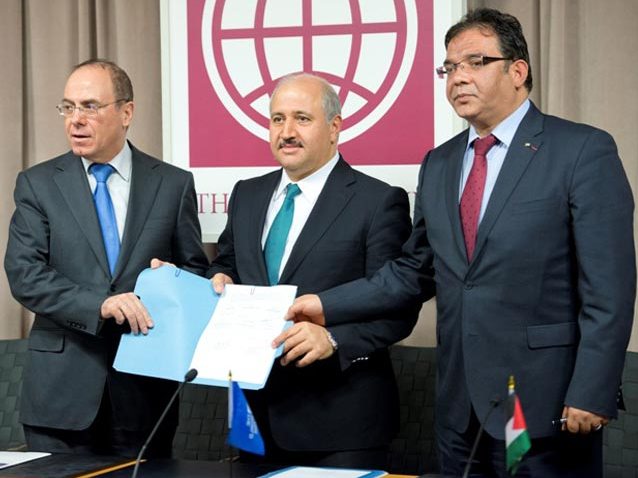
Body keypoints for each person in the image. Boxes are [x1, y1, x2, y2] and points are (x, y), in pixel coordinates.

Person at [286, 9, 635, 477]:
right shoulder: (440, 163)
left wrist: (591, 390)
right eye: (450, 68)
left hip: (544, 404)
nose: (458, 78)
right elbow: (414, 270)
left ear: (517, 71)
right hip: (459, 407)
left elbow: (609, 289)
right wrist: (323, 303)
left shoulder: (581, 151)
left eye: (475, 62)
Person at [206, 73, 418, 468]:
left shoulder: (377, 201)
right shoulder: (246, 194)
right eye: (277, 119)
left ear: (334, 127)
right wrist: (219, 278)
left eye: (302, 119)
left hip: (340, 424)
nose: (286, 132)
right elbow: (228, 264)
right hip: (252, 419)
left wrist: (334, 339)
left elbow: (399, 306)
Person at [4, 59, 208, 457]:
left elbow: (195, 271)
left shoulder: (172, 184)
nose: (75, 120)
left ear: (126, 112)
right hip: (61, 397)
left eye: (90, 107)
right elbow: (25, 274)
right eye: (68, 107)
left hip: (145, 391)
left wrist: (172, 283)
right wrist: (100, 305)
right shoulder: (38, 184)